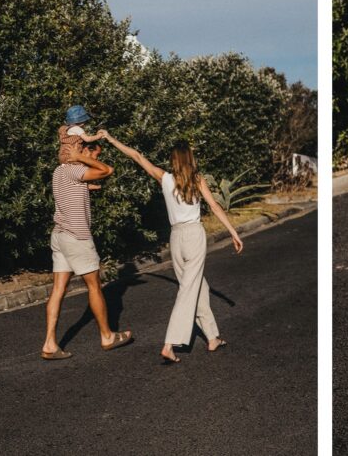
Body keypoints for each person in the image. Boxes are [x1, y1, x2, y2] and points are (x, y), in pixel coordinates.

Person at [99, 131, 243, 365]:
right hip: (194, 236)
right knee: (188, 289)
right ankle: (169, 343)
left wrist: (111, 139)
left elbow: (136, 156)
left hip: (175, 237)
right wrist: (233, 232)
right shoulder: (197, 179)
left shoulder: (164, 178)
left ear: (174, 160)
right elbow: (215, 206)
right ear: (190, 159)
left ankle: (212, 337)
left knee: (198, 286)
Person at [41, 142, 134, 360]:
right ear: (84, 150)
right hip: (77, 237)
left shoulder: (59, 171)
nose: (96, 157)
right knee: (94, 286)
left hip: (59, 236)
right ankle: (107, 336)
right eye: (94, 153)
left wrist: (85, 185)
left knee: (58, 289)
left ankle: (50, 343)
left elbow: (71, 188)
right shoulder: (76, 169)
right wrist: (82, 158)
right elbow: (107, 170)